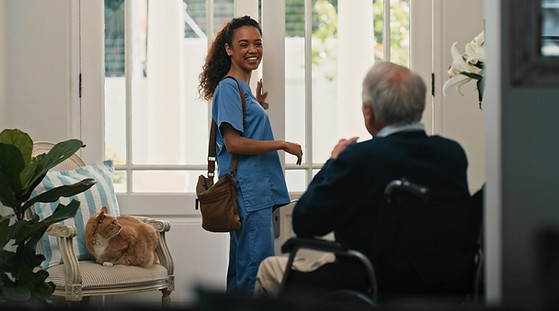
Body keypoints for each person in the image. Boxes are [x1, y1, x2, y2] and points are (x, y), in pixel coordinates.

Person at [254, 61, 470, 297]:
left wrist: (334, 161)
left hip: (370, 282)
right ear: (419, 107)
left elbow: (305, 222)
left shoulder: (360, 158)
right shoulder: (452, 154)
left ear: (369, 111)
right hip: (442, 284)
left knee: (268, 269)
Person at [198, 16, 303, 295]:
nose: (252, 49)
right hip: (250, 192)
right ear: (229, 49)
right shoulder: (229, 88)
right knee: (256, 274)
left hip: (254, 192)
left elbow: (244, 129)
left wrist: (256, 103)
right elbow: (233, 143)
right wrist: (281, 144)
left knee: (244, 269)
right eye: (243, 44)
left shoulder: (239, 89)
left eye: (257, 43)